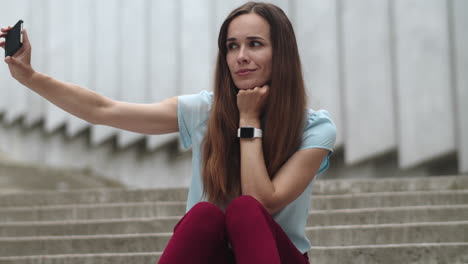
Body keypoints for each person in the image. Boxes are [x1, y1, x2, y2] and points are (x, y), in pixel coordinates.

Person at [1, 2, 336, 263]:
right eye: (232, 46)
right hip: (213, 257)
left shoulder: (314, 129)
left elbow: (263, 200)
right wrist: (29, 76)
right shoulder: (205, 110)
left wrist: (249, 120)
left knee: (245, 211)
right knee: (204, 215)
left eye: (255, 44)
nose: (241, 57)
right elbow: (104, 110)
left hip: (278, 258)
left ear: (282, 53)